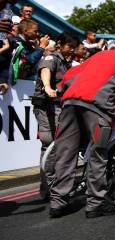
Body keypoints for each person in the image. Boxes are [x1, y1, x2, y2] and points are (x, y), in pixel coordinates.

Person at [49, 39, 115, 219]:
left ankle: (58, 202)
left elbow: (69, 75)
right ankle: (95, 204)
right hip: (98, 106)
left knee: (65, 152)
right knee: (99, 153)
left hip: (70, 101)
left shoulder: (101, 54)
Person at [32, 32, 79, 200]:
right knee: (49, 145)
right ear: (60, 44)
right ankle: (48, 187)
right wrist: (46, 86)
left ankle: (56, 185)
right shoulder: (52, 58)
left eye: (74, 48)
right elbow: (45, 70)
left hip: (59, 106)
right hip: (45, 105)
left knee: (60, 146)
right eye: (69, 47)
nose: (71, 50)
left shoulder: (68, 64)